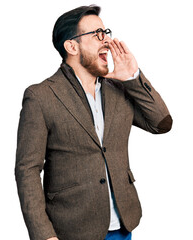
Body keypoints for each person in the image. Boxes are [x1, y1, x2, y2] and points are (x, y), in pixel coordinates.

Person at [15, 5, 172, 240]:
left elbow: (161, 124)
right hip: (71, 230)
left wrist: (133, 76)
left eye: (106, 32)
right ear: (71, 46)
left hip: (123, 227)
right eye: (97, 34)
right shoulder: (41, 96)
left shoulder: (120, 90)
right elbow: (27, 170)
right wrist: (44, 235)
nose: (107, 41)